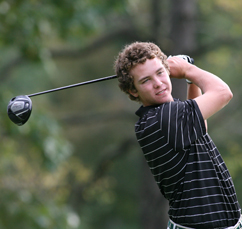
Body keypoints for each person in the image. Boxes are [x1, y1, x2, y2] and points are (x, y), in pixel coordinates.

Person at [114, 41, 241, 229]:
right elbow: (223, 93)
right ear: (133, 90)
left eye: (159, 72)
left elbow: (200, 129)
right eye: (145, 80)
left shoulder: (160, 116)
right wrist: (188, 69)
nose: (158, 83)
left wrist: (191, 81)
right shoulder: (165, 118)